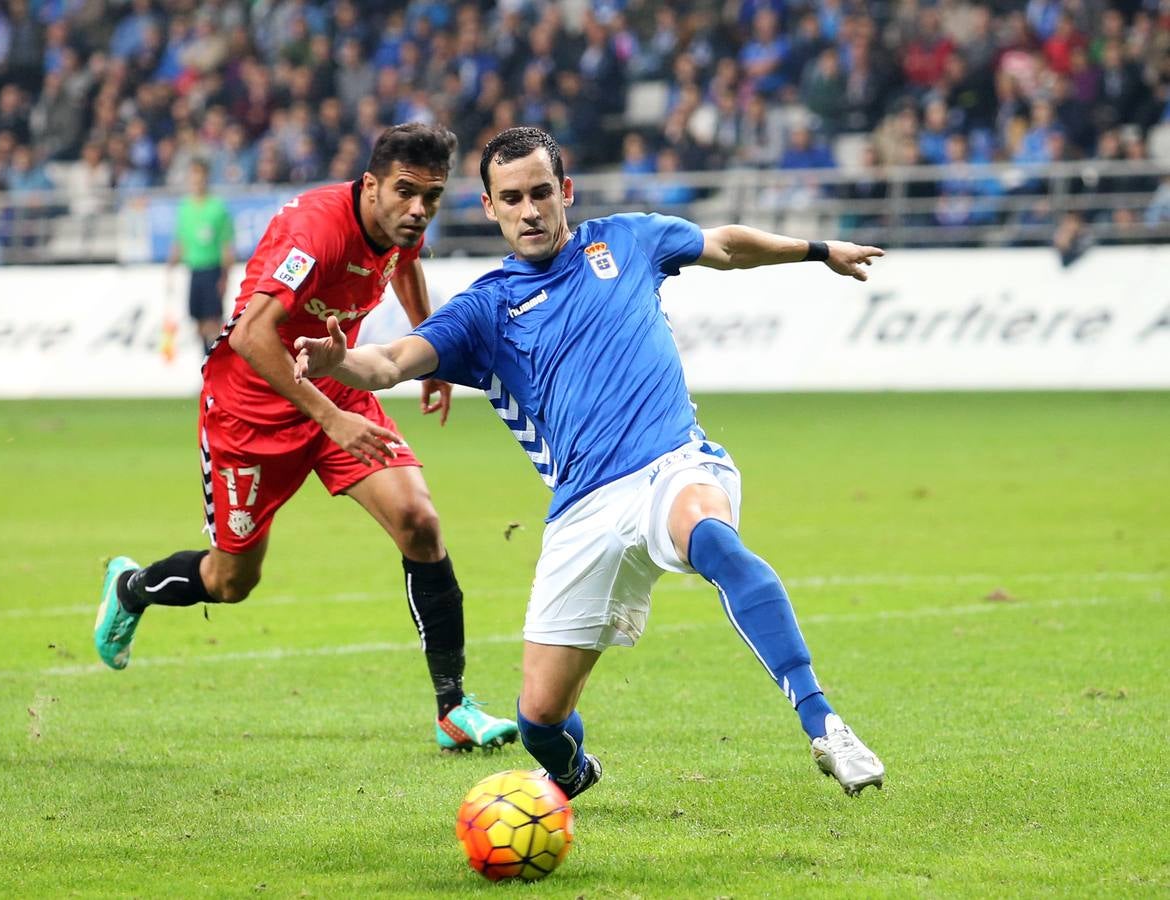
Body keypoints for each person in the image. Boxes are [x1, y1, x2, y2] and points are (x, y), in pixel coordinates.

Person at [294, 126, 886, 797]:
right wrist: (339, 360)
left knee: (712, 536)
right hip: (583, 511)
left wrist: (817, 251)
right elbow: (394, 361)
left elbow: (724, 245)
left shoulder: (627, 239)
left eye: (541, 192)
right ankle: (575, 773)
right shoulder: (486, 310)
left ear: (565, 191)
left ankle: (825, 725)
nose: (530, 210)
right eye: (511, 198)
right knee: (539, 720)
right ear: (489, 208)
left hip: (671, 465)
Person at [95, 123, 519, 754]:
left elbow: (403, 262)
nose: (418, 210)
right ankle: (133, 588)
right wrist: (331, 419)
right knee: (233, 580)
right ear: (369, 184)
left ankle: (453, 708)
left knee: (419, 523)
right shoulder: (315, 233)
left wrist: (431, 347)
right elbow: (250, 335)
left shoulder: (403, 217)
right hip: (251, 411)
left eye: (431, 197)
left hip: (331, 382)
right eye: (406, 193)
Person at [168, 159, 236, 356]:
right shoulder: (185, 207)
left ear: (206, 178)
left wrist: (225, 276)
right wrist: (170, 268)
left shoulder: (217, 207)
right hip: (194, 270)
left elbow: (226, 245)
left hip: (212, 269)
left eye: (200, 175)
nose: (196, 180)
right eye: (193, 175)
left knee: (213, 322)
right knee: (197, 322)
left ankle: (216, 366)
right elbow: (180, 241)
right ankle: (206, 364)